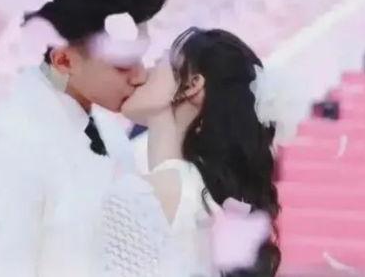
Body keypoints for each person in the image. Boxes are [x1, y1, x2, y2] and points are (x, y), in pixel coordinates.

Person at [0, 0, 169, 277]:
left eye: (141, 58)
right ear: (63, 59)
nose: (140, 76)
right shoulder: (10, 144)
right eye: (123, 65)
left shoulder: (107, 134)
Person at [97, 27, 281, 277]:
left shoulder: (157, 192)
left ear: (191, 84)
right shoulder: (204, 199)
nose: (141, 75)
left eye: (157, 64)